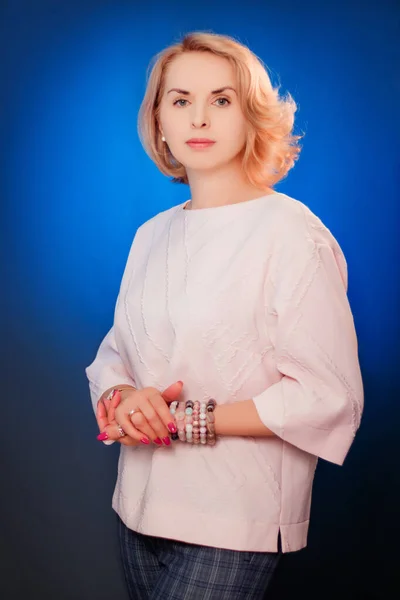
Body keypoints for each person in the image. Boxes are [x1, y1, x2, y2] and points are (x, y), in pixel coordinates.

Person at [85, 31, 364, 600]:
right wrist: (122, 399)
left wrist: (185, 419)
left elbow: (327, 394)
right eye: (181, 100)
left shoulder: (292, 234)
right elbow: (118, 352)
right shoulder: (151, 235)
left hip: (233, 517)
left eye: (222, 99)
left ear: (250, 117)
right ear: (159, 120)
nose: (199, 119)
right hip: (137, 507)